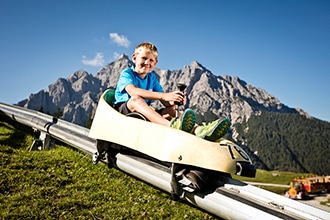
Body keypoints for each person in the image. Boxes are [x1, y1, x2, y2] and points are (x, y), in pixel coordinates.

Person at [113, 42, 230, 141]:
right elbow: (133, 92)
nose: (147, 63)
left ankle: (201, 131)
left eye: (151, 60)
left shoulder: (152, 78)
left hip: (142, 114)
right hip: (124, 111)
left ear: (155, 63)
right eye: (144, 58)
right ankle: (171, 127)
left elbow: (166, 102)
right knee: (136, 100)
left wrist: (175, 100)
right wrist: (164, 96)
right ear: (134, 58)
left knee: (171, 110)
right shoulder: (127, 73)